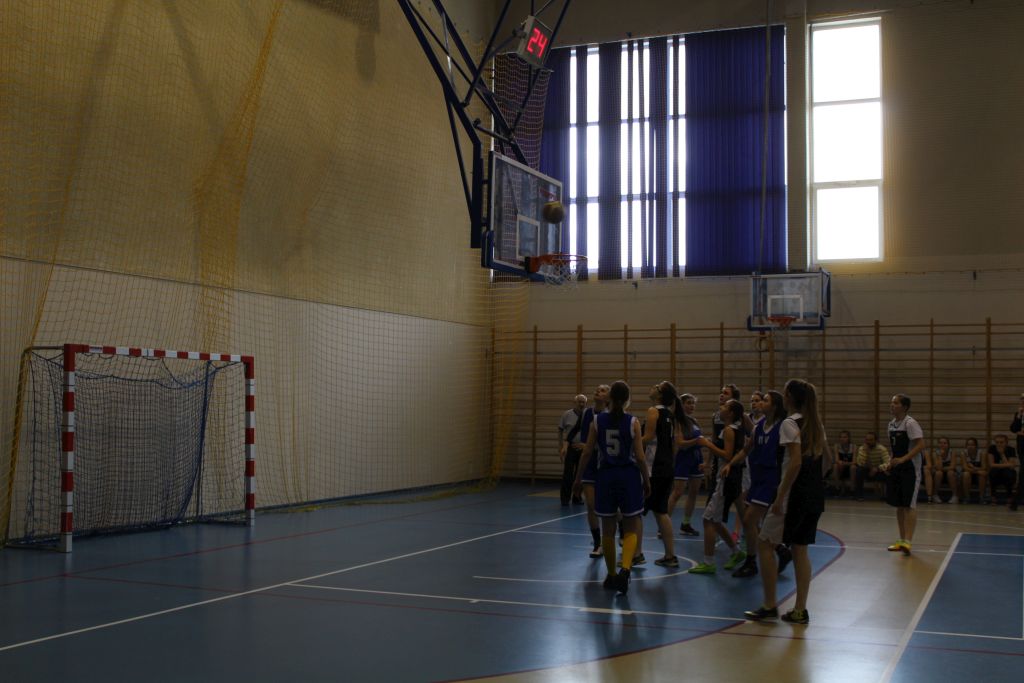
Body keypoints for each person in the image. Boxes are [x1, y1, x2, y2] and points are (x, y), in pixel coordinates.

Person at [744, 379, 827, 625]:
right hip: (814, 494)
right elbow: (828, 460)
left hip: (793, 494)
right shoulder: (815, 424)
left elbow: (795, 462)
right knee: (800, 549)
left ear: (789, 397)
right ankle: (800, 610)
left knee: (764, 543)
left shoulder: (790, 424)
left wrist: (780, 496)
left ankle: (770, 605)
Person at [573, 381, 651, 595]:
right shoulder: (633, 422)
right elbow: (640, 457)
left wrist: (578, 479)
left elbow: (587, 452)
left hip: (606, 476)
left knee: (608, 530)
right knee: (630, 527)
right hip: (628, 476)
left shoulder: (597, 421)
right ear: (627, 399)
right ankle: (625, 569)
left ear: (610, 398)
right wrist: (646, 480)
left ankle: (611, 575)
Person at [721, 390, 788, 578]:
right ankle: (781, 550)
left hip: (771, 480)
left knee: (749, 519)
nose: (760, 403)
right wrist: (731, 463)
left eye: (765, 400)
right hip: (757, 479)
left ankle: (752, 562)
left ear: (775, 406)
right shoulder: (758, 428)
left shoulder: (783, 427)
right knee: (755, 521)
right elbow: (745, 450)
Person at [689, 399, 746, 575]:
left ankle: (709, 562)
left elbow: (727, 455)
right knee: (715, 520)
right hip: (730, 477)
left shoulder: (729, 430)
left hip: (726, 479)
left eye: (725, 406)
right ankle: (736, 551)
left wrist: (708, 444)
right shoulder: (733, 429)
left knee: (708, 519)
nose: (721, 408)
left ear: (731, 413)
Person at [642, 382, 683, 568]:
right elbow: (674, 446)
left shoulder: (654, 411)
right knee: (661, 512)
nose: (652, 387)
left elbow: (648, 437)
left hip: (654, 469)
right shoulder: (670, 415)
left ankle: (635, 554)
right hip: (666, 468)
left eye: (656, 387)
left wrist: (630, 441)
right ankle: (670, 555)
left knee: (634, 512)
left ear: (659, 395)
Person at [881, 394, 925, 555]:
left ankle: (908, 541)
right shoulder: (891, 425)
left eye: (896, 403)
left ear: (904, 407)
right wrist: (890, 463)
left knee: (909, 505)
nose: (892, 405)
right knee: (899, 505)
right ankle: (901, 540)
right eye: (891, 402)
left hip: (911, 469)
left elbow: (920, 445)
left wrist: (904, 459)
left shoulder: (910, 423)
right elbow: (894, 450)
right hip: (898, 468)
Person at [578, 385, 610, 558]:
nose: (598, 391)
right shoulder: (587, 414)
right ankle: (598, 543)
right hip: (590, 463)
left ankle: (619, 530)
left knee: (609, 506)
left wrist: (592, 446)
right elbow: (585, 442)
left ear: (609, 398)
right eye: (597, 389)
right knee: (591, 505)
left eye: (603, 390)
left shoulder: (610, 415)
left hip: (606, 464)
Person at [668, 393, 704, 537]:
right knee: (677, 493)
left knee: (694, 492)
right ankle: (664, 525)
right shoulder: (678, 421)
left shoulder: (694, 421)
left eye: (693, 403)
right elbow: (680, 443)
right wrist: (697, 441)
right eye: (688, 403)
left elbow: (700, 441)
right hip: (683, 459)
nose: (691, 406)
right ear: (681, 405)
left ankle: (686, 524)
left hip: (696, 458)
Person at [558, 394, 588, 506]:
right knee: (568, 474)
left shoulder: (587, 415)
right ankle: (565, 499)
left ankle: (577, 497)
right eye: (579, 402)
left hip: (583, 448)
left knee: (580, 474)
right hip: (570, 447)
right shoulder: (567, 414)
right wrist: (561, 446)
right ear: (575, 403)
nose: (581, 404)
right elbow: (560, 430)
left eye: (583, 402)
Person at [853, 432, 890, 501]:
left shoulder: (882, 449)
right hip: (867, 470)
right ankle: (859, 495)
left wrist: (877, 468)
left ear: (876, 440)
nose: (868, 442)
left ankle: (887, 495)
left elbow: (888, 463)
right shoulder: (862, 449)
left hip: (878, 471)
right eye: (867, 440)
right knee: (859, 470)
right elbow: (861, 463)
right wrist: (867, 452)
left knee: (889, 472)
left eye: (871, 440)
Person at [986, 434, 1019, 508]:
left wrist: (1002, 454)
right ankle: (993, 496)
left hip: (1007, 473)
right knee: (992, 472)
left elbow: (1011, 467)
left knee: (1009, 473)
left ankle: (1009, 497)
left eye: (1001, 442)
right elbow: (991, 464)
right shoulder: (992, 448)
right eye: (997, 442)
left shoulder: (1011, 449)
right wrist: (1007, 465)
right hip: (997, 473)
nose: (999, 444)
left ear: (1006, 443)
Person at [930, 437, 958, 503]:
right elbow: (938, 468)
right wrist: (940, 455)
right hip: (938, 476)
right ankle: (935, 495)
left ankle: (955, 496)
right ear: (938, 444)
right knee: (939, 473)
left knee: (950, 473)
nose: (942, 445)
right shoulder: (935, 453)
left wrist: (942, 468)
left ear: (948, 445)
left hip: (950, 475)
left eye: (945, 443)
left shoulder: (952, 452)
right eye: (940, 443)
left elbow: (953, 467)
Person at [958, 437, 987, 504]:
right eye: (968, 445)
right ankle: (967, 497)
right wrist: (978, 471)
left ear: (976, 446)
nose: (970, 446)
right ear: (966, 446)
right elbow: (965, 467)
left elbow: (984, 467)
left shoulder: (981, 453)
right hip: (968, 475)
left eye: (972, 445)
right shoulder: (963, 453)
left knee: (982, 475)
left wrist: (975, 468)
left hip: (977, 475)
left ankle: (982, 497)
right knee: (966, 474)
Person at [831, 430, 855, 496]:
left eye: (845, 437)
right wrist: (840, 463)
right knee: (835, 466)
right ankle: (837, 488)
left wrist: (844, 463)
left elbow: (854, 462)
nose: (842, 439)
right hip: (840, 468)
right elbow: (837, 460)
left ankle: (852, 489)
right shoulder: (837, 446)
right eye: (841, 437)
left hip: (849, 468)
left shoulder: (853, 446)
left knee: (853, 467)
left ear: (849, 438)